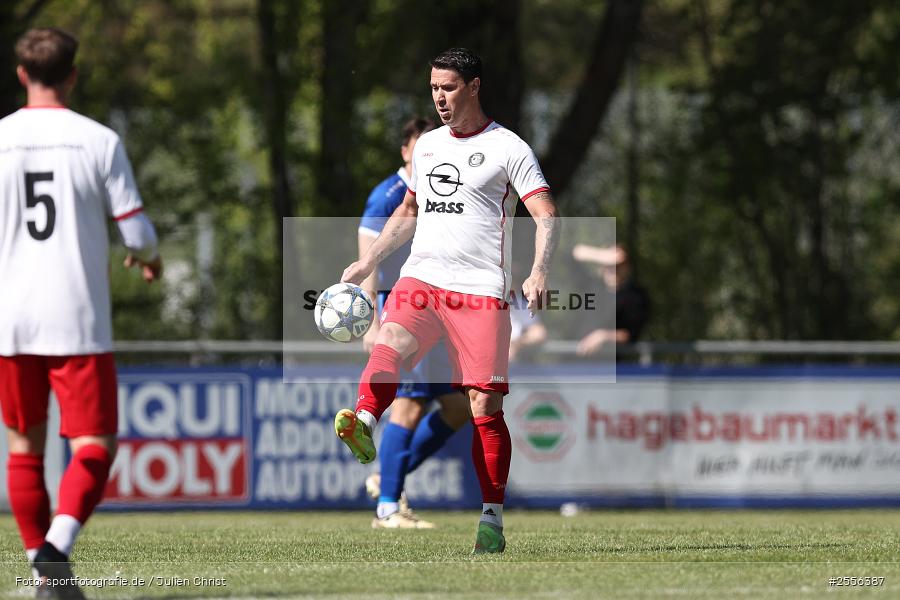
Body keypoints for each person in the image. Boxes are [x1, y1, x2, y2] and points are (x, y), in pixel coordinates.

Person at [334, 47, 560, 554]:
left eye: (449, 87)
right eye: (434, 87)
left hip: (480, 289)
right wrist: (369, 263)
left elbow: (546, 214)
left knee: (483, 404)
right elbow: (409, 213)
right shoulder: (429, 147)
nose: (439, 97)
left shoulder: (509, 148)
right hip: (423, 278)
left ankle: (492, 518)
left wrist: (539, 270)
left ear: (474, 87)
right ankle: (365, 420)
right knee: (389, 338)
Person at [0, 28, 161, 599]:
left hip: (11, 320)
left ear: (22, 75)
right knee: (94, 444)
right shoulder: (96, 140)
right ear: (72, 74)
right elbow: (137, 232)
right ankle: (56, 549)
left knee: (24, 449)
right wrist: (148, 258)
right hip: (77, 315)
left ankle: (38, 566)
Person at [357, 117, 470, 529]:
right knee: (408, 404)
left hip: (439, 309)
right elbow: (370, 256)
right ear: (406, 151)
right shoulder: (387, 196)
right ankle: (387, 507)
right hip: (406, 312)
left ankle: (386, 478)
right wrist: (371, 322)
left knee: (460, 408)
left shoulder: (442, 185)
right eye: (419, 145)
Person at [572, 243, 650, 355]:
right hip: (573, 360)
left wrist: (603, 336)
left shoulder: (636, 297)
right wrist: (602, 256)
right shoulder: (591, 286)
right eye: (610, 264)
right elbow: (573, 253)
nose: (613, 269)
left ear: (627, 267)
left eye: (618, 265)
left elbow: (630, 335)